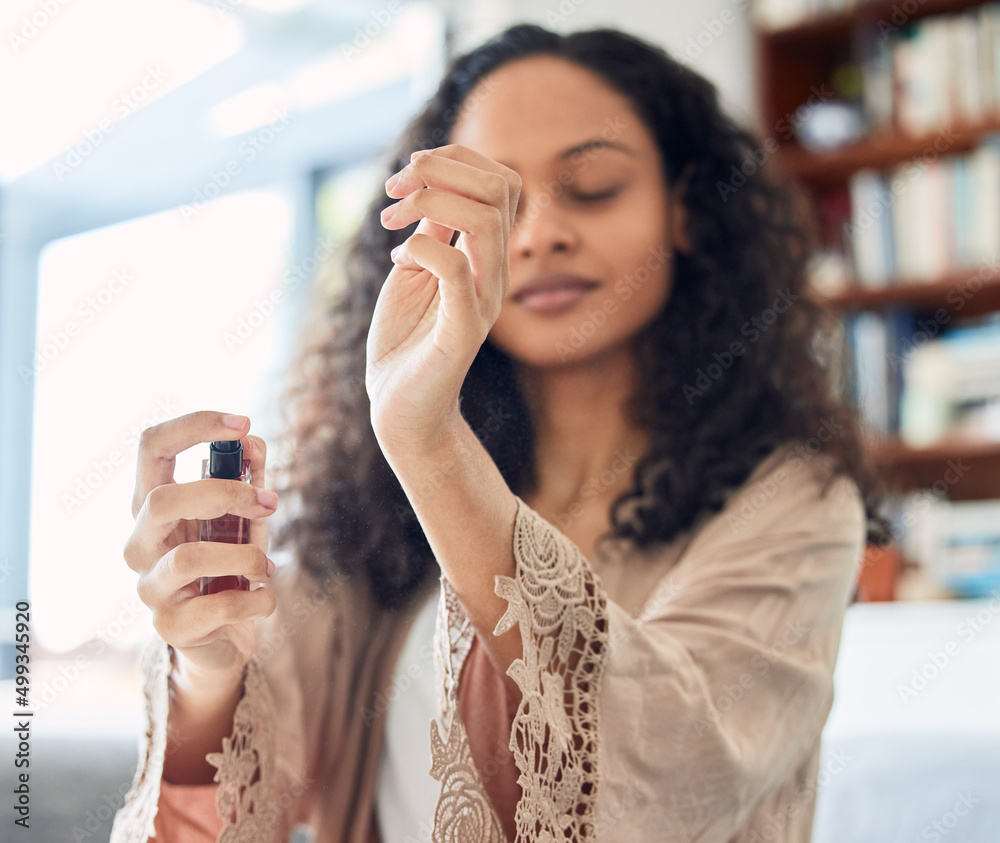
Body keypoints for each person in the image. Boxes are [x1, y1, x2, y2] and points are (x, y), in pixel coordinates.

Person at [111, 22, 886, 843]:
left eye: (592, 188)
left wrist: (430, 442)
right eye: (496, 202)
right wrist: (207, 659)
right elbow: (237, 787)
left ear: (687, 211)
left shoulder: (791, 505)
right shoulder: (377, 514)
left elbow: (664, 785)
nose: (539, 233)